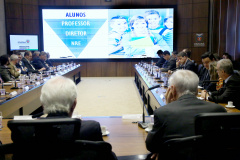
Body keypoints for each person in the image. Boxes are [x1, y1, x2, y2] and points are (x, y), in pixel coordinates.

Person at [145, 70, 226, 159]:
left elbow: (151, 146)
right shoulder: (219, 109)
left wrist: (168, 106)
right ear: (196, 89)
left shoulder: (162, 112)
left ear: (172, 89)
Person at [40, 76, 104, 141]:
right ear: (74, 103)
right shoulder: (91, 128)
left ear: (42, 104)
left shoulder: (31, 130)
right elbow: (104, 150)